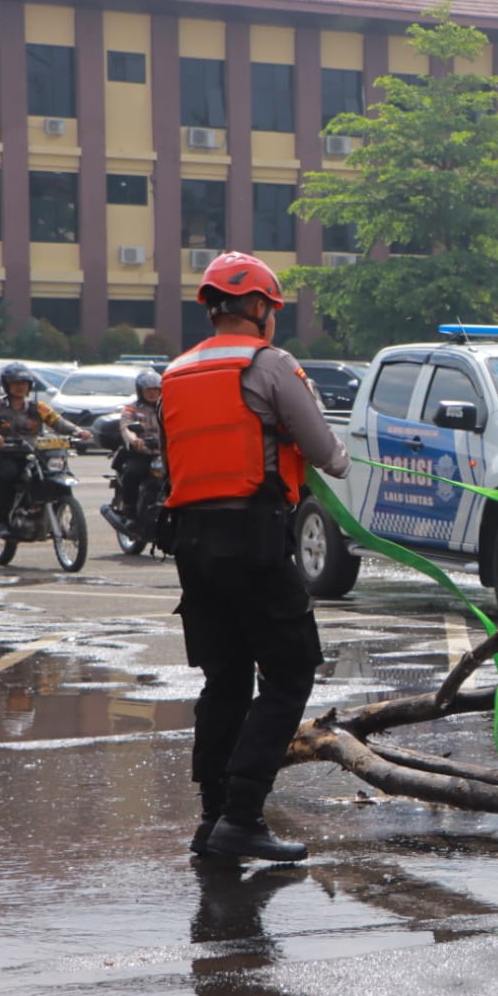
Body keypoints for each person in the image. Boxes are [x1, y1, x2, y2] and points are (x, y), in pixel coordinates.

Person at [161, 251, 350, 863]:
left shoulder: (175, 373)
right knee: (290, 674)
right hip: (256, 542)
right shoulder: (270, 364)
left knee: (225, 681)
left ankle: (212, 819)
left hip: (192, 544)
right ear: (262, 309)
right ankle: (242, 817)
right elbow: (325, 451)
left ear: (213, 309)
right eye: (272, 307)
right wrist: (334, 459)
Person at [0, 362, 91, 537]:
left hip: (35, 453)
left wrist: (78, 431)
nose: (20, 387)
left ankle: (56, 513)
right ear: (7, 385)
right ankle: (2, 521)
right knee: (7, 476)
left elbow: (57, 421)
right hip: (6, 454)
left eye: (24, 383)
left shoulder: (38, 407)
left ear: (30, 386)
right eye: (15, 383)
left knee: (56, 473)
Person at [112, 369, 163, 519]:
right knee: (132, 474)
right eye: (148, 390)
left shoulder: (169, 407)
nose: (152, 393)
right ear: (141, 391)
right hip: (141, 454)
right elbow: (126, 426)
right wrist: (134, 440)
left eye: (156, 389)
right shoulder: (132, 408)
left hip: (165, 454)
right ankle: (129, 511)